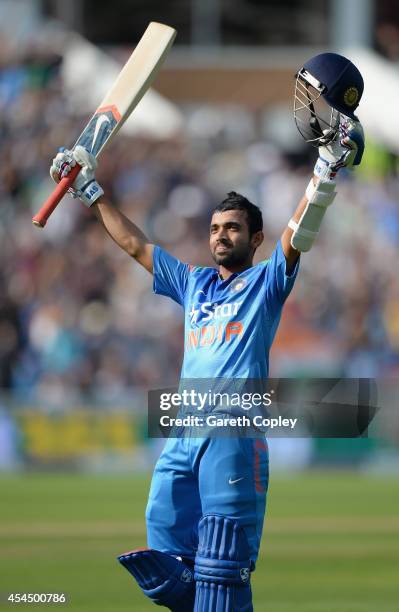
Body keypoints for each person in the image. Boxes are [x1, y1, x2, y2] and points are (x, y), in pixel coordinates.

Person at [50, 54, 365, 612]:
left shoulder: (268, 283)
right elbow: (137, 247)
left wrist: (324, 172)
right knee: (165, 558)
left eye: (233, 229)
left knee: (222, 573)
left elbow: (298, 236)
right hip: (183, 434)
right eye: (216, 228)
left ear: (254, 238)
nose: (221, 236)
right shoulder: (193, 284)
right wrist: (90, 190)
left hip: (232, 435)